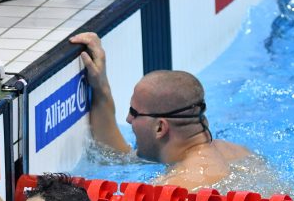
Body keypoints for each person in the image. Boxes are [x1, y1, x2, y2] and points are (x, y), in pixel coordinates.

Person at [69, 32, 252, 191]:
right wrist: (100, 87)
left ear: (160, 128)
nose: (128, 118)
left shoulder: (175, 187)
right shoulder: (238, 153)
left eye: (134, 112)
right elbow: (118, 156)